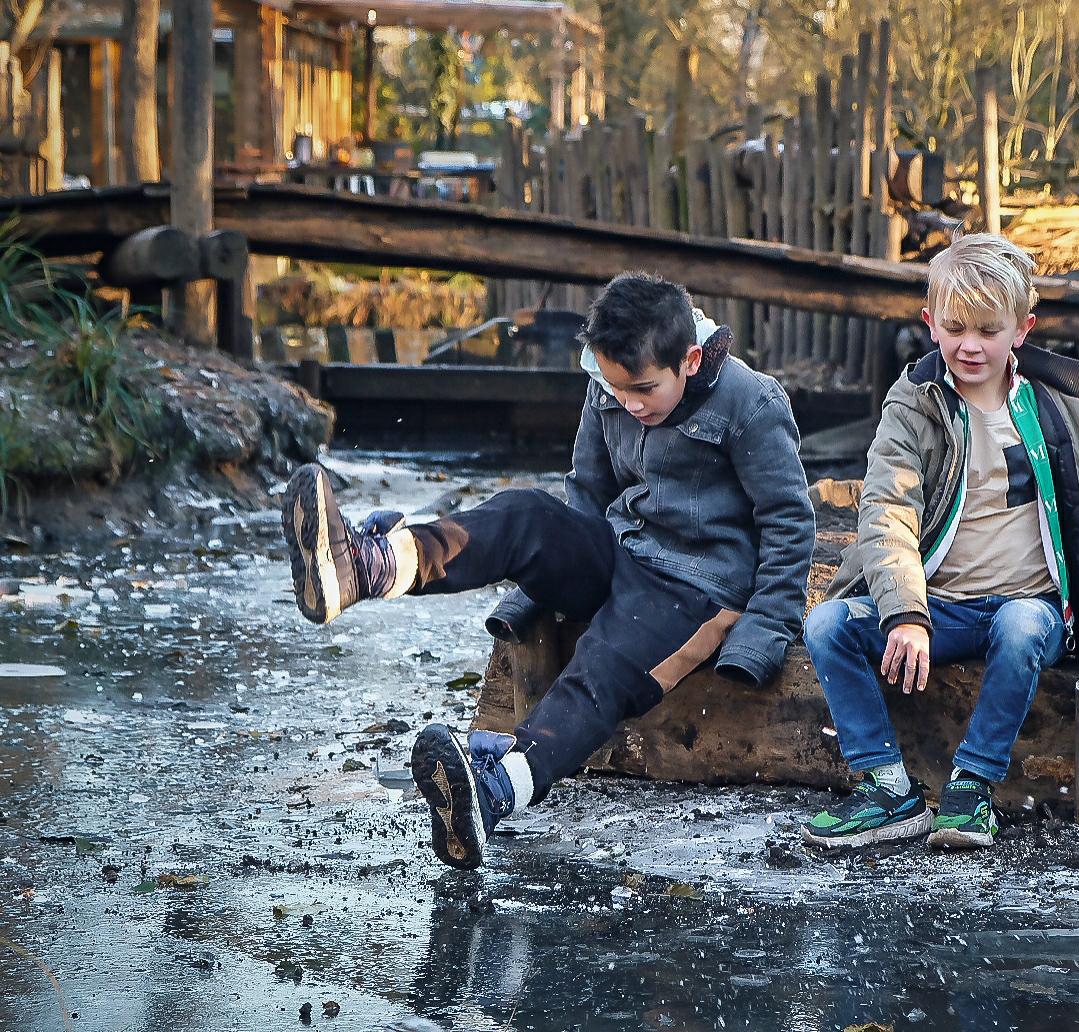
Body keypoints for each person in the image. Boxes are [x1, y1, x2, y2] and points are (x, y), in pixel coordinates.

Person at [281, 273, 815, 870]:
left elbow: (789, 523)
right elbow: (588, 490)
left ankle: (492, 793)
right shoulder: (606, 384)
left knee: (606, 661)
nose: (629, 404)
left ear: (689, 360)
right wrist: (550, 571)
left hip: (697, 586)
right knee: (524, 514)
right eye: (615, 388)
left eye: (642, 389)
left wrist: (766, 628)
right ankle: (369, 564)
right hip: (621, 547)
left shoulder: (750, 402)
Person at [801, 233, 1079, 851]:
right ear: (930, 323)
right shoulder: (914, 407)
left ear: (1021, 330)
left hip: (1026, 606)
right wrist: (905, 613)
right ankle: (888, 788)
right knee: (828, 624)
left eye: (988, 330)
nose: (969, 345)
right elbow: (888, 511)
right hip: (939, 608)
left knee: (1023, 628)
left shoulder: (1055, 404)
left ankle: (973, 784)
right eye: (954, 328)